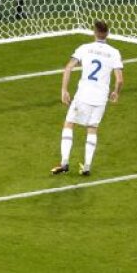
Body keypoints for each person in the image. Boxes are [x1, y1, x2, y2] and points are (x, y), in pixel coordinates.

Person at [51, 21, 124, 177]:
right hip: (100, 98)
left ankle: (64, 162)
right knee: (92, 128)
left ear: (94, 32)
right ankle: (87, 166)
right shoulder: (114, 52)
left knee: (69, 124)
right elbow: (119, 80)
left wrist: (64, 90)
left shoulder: (84, 48)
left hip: (83, 94)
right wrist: (116, 93)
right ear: (107, 34)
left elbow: (68, 67)